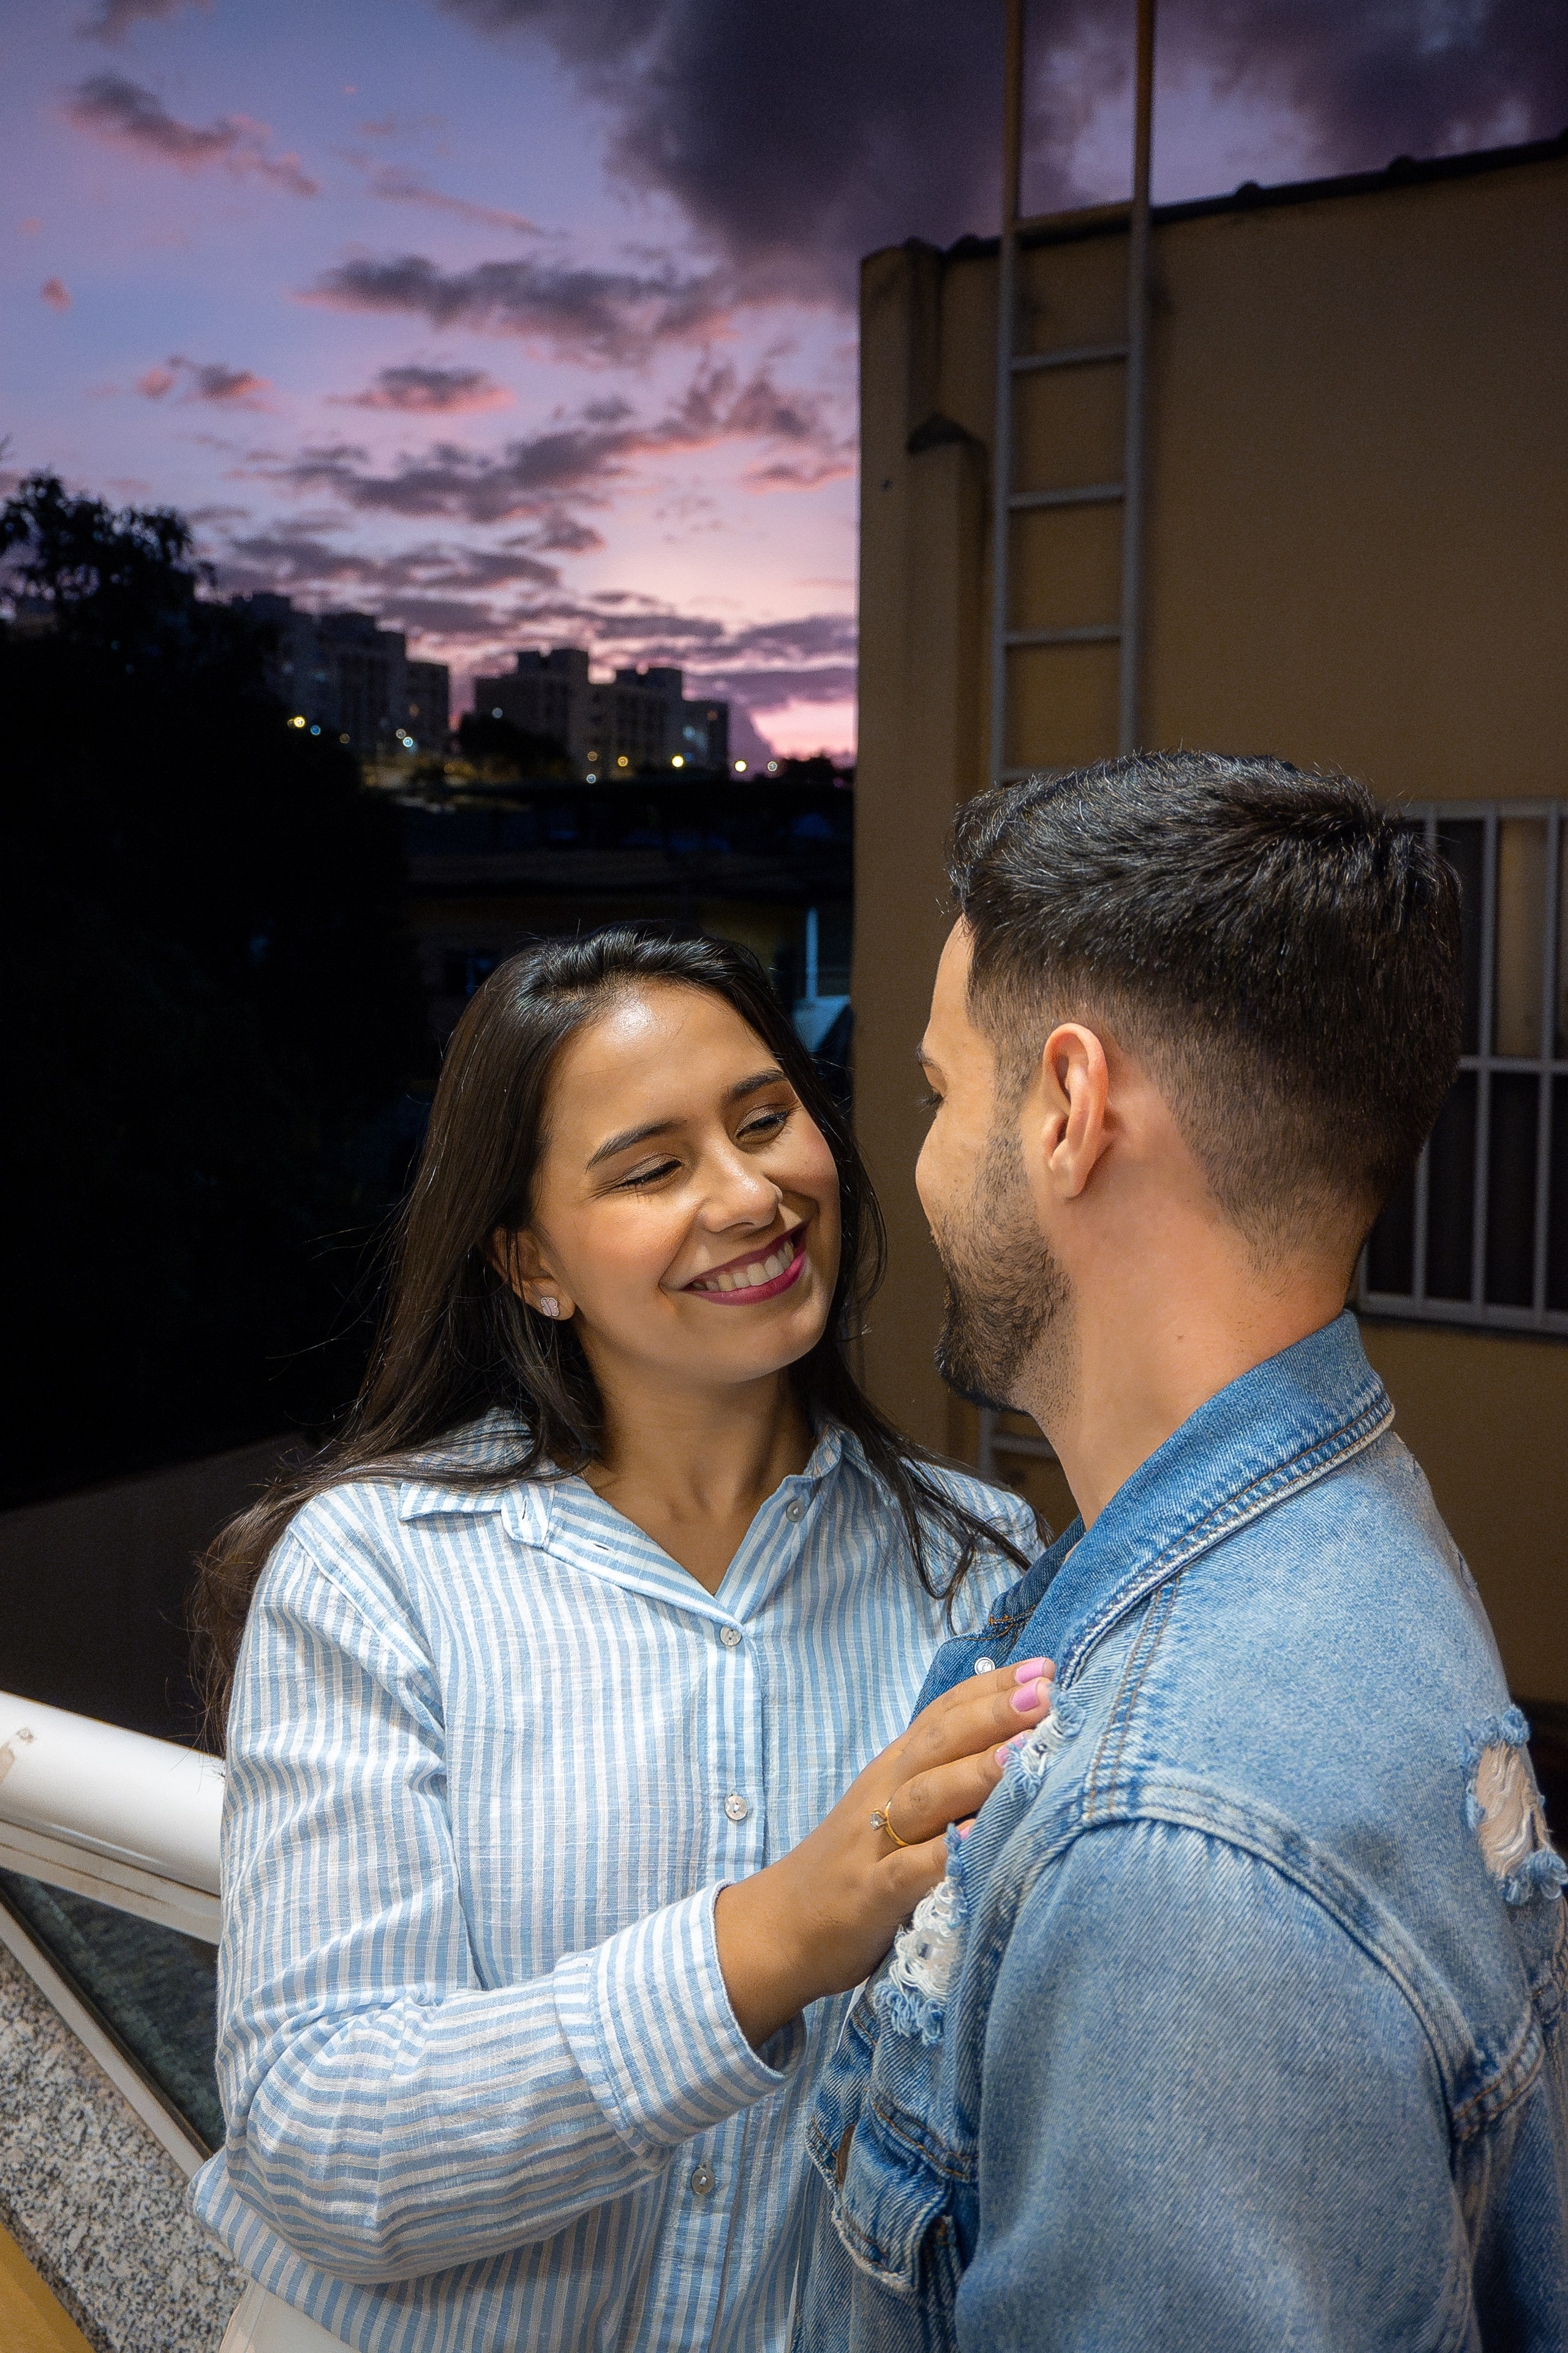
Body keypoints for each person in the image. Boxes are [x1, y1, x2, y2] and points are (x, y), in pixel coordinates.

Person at [187, 927, 1051, 2353]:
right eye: (650, 1168)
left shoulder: (976, 1564)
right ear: (530, 1262)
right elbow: (321, 2135)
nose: (748, 1192)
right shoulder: (377, 1571)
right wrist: (767, 1940)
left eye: (765, 1120)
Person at [798, 754, 1568, 2351]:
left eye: (944, 1093)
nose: (924, 1158)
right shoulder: (1347, 1521)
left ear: (1070, 1109)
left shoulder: (1175, 1847)